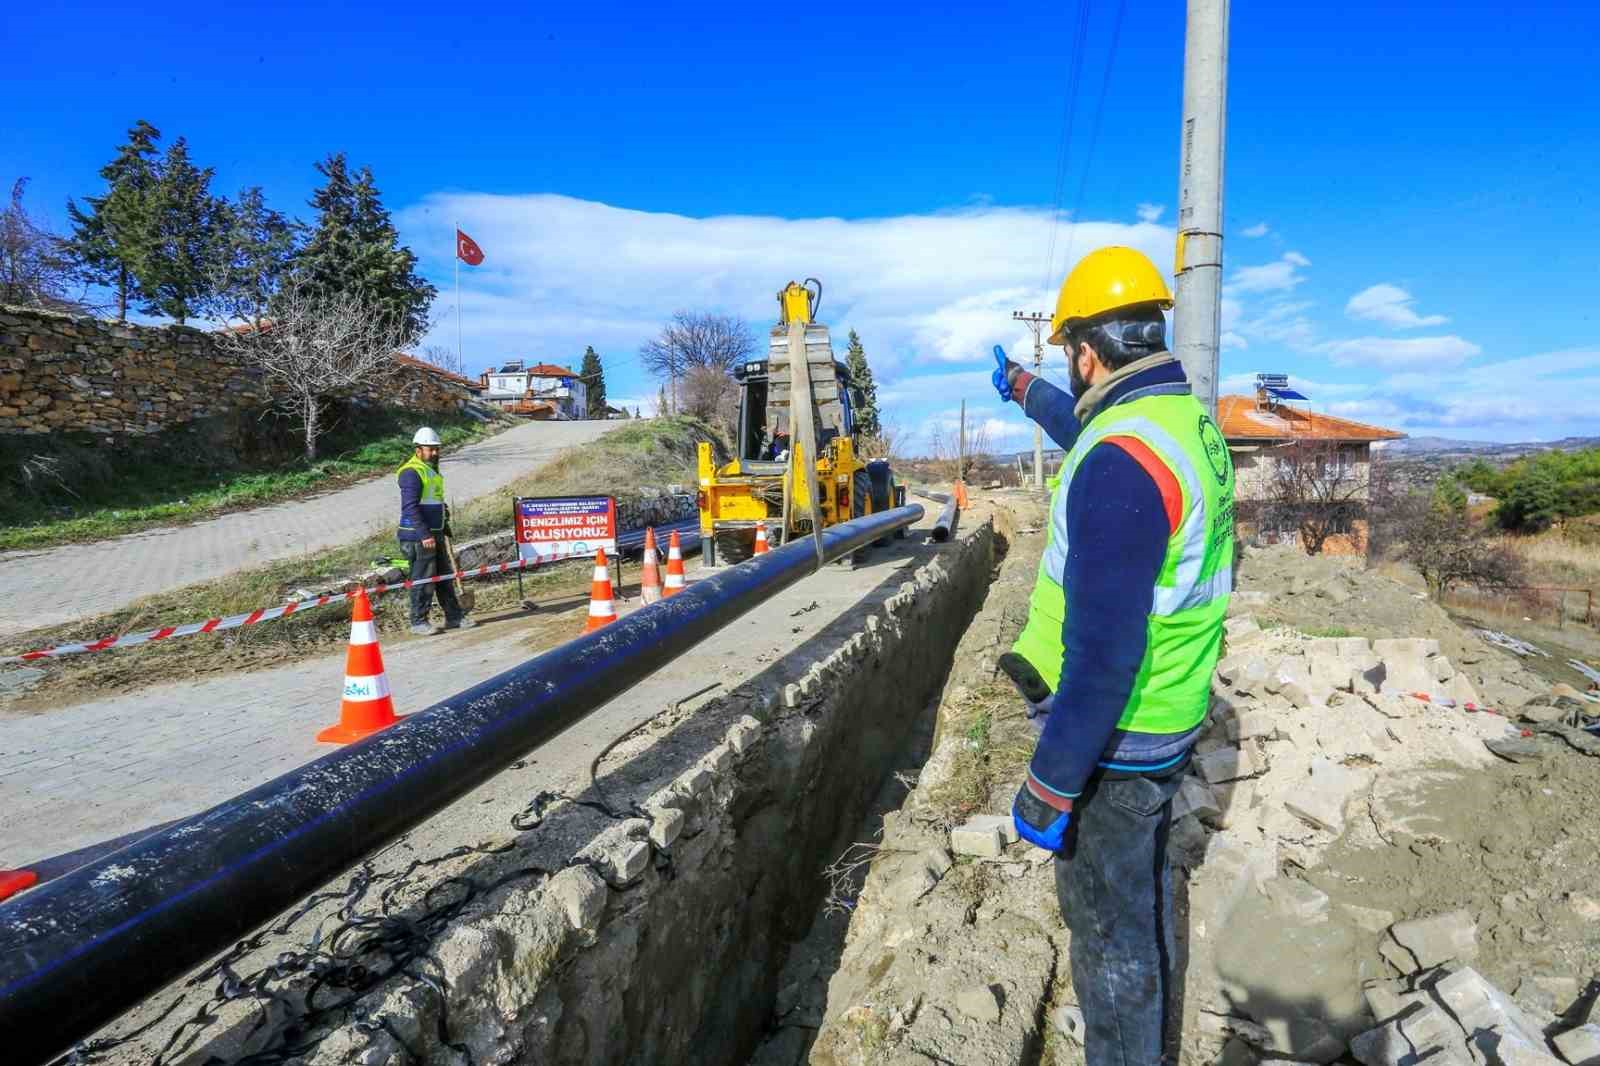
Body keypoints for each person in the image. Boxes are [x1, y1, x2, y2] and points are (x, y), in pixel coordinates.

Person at [993, 246, 1235, 1066]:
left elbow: (1102, 655)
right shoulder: (1183, 424)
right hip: (1174, 708)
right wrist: (1026, 391)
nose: (1071, 370)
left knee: (1110, 931)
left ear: (1088, 351)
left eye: (1067, 357)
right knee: (1137, 894)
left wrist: (1050, 783)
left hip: (1119, 736)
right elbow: (1086, 424)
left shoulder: (1120, 462)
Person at [396, 427, 475, 636]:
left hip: (435, 533)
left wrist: (443, 521)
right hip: (417, 536)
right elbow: (410, 507)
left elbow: (433, 501)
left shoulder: (431, 470)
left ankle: (454, 617)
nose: (435, 453)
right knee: (423, 579)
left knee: (444, 577)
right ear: (418, 449)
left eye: (436, 449)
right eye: (430, 449)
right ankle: (418, 621)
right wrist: (424, 534)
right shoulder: (411, 472)